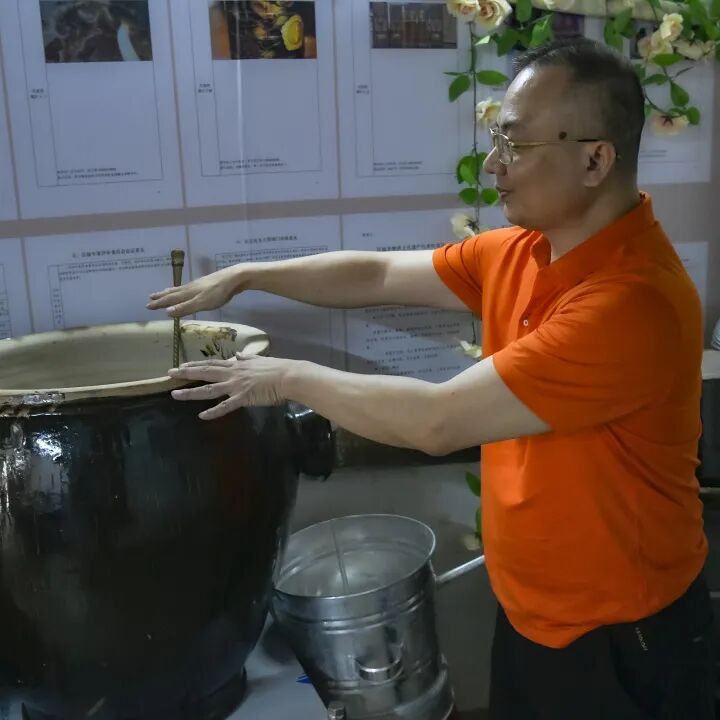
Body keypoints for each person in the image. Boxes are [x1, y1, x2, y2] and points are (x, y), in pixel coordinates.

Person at [148, 38, 715, 720]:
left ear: (595, 159)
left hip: (623, 632)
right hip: (536, 614)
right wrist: (249, 275)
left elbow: (437, 421)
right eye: (497, 139)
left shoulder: (630, 302)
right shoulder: (522, 251)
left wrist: (287, 377)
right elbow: (378, 274)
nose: (495, 165)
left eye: (516, 144)